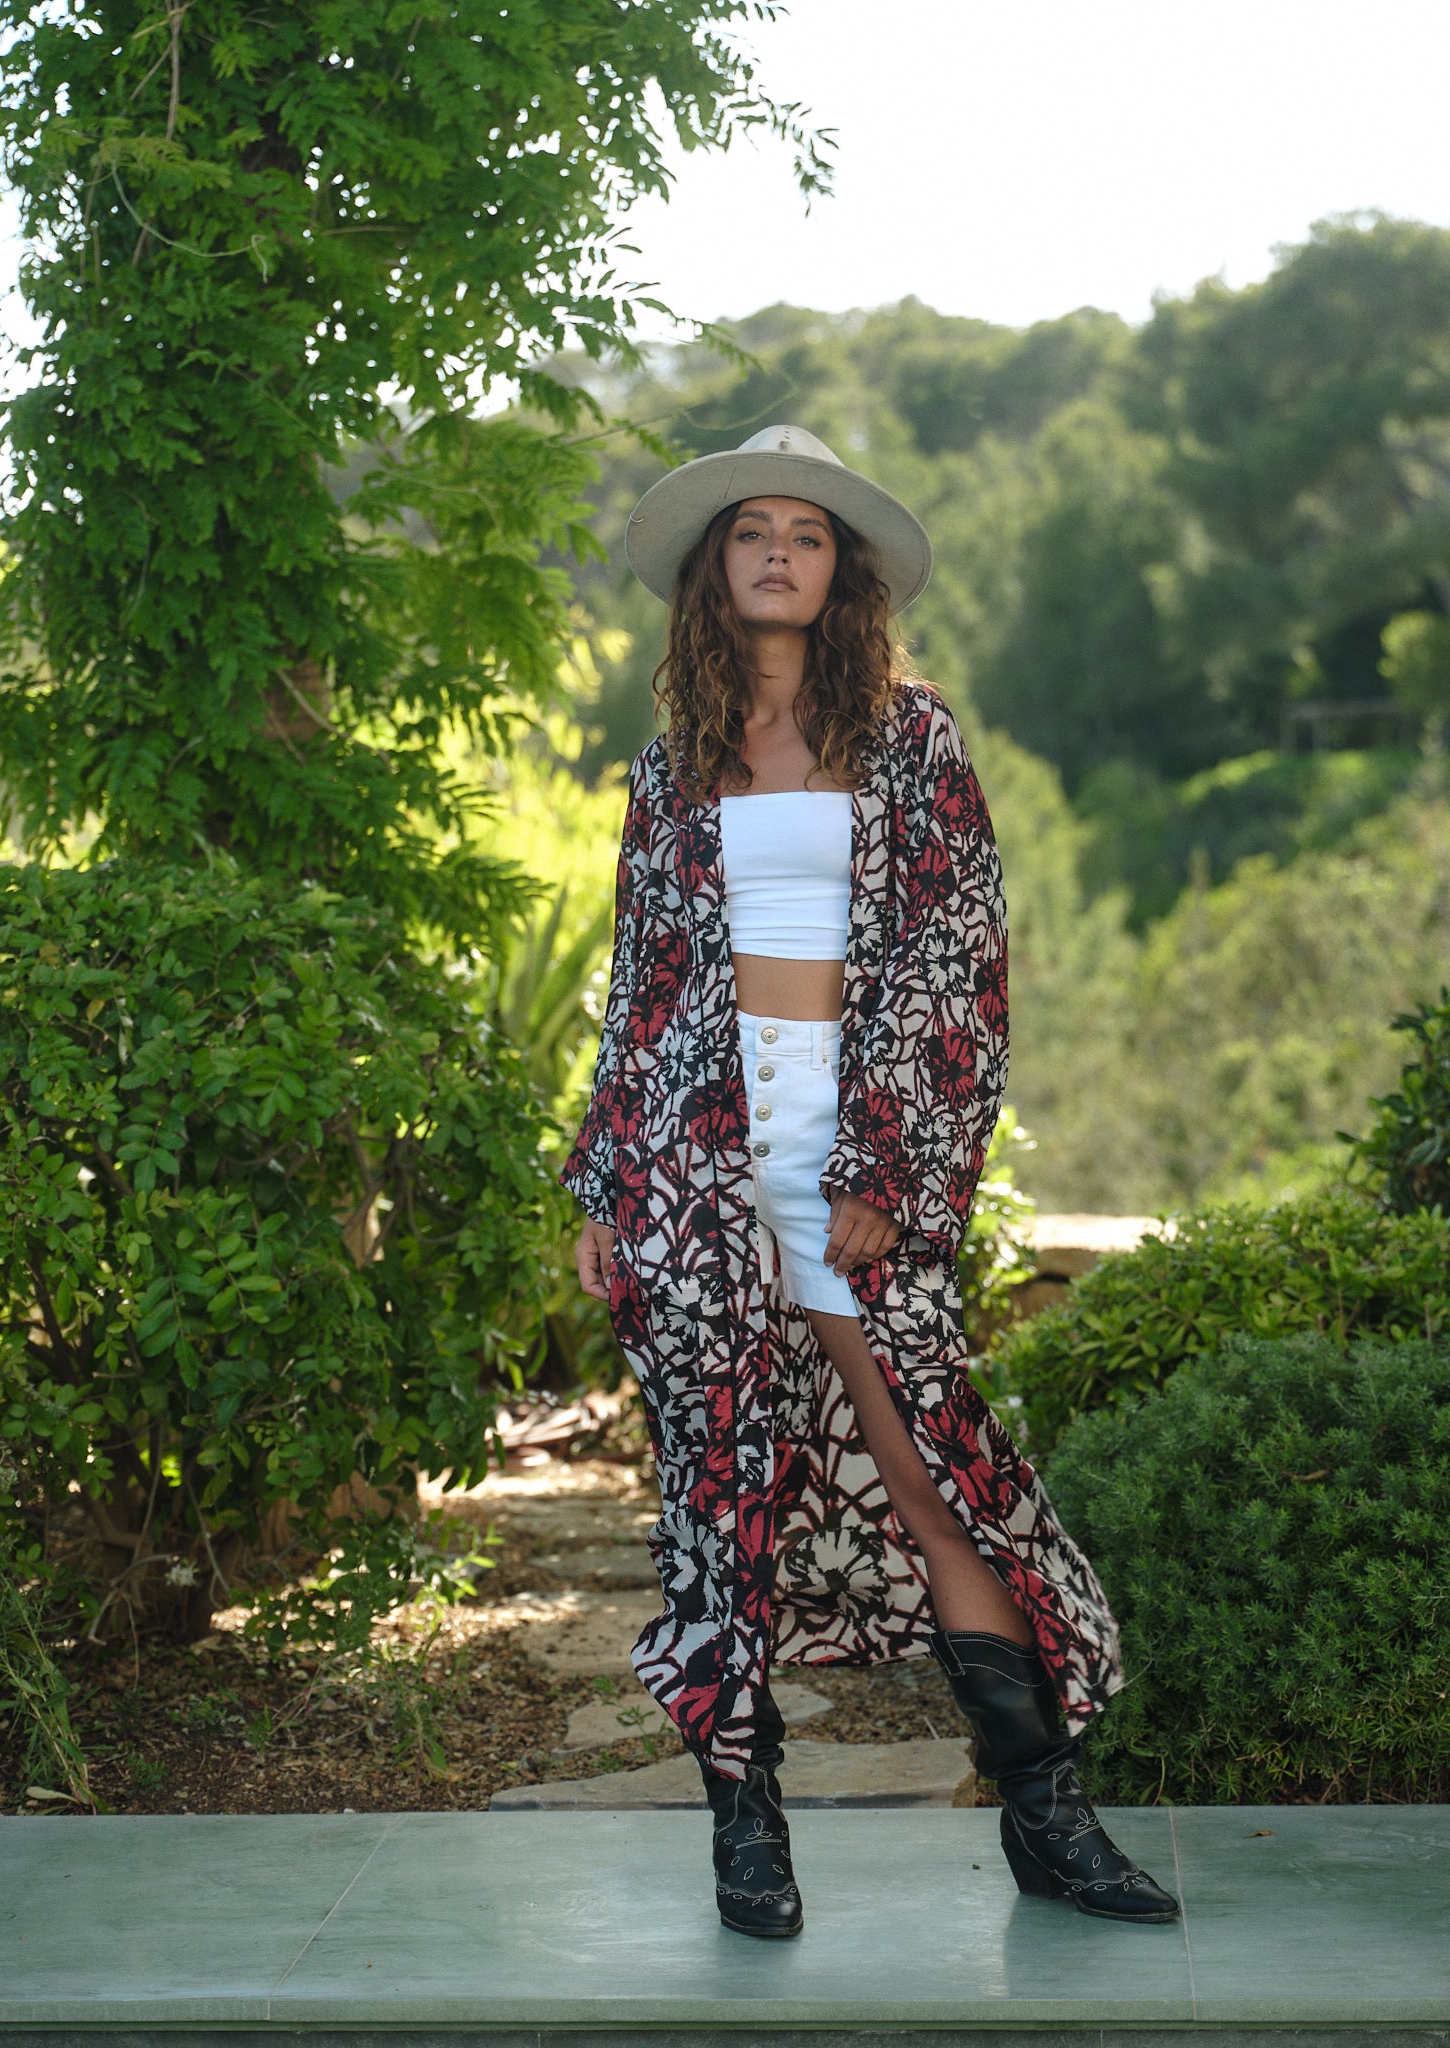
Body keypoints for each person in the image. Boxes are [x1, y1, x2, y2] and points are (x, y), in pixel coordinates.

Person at [560, 425, 1177, 1939]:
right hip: (693, 1165)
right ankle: (747, 1833)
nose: (778, 551)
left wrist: (892, 1163)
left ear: (842, 574)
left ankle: (1048, 1816)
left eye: (808, 533)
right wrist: (602, 1182)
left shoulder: (912, 740)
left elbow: (960, 965)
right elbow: (640, 987)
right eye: (751, 530)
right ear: (715, 569)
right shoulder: (670, 766)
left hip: (851, 1157)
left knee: (928, 1471)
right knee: (715, 1505)